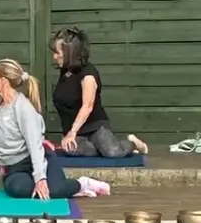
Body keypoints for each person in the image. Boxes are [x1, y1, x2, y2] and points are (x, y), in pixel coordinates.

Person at [0, 58, 79, 200]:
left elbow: (35, 146)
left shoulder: (23, 108)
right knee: (17, 189)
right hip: (15, 169)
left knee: (55, 190)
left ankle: (83, 184)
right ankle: (49, 187)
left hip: (39, 159)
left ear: (4, 81)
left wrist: (40, 178)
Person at [49, 27, 148, 158]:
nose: (54, 56)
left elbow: (87, 105)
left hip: (95, 127)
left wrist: (72, 132)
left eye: (58, 53)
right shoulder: (66, 72)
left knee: (113, 152)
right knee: (70, 149)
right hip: (77, 133)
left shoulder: (88, 74)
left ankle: (132, 143)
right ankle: (102, 147)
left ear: (70, 53)